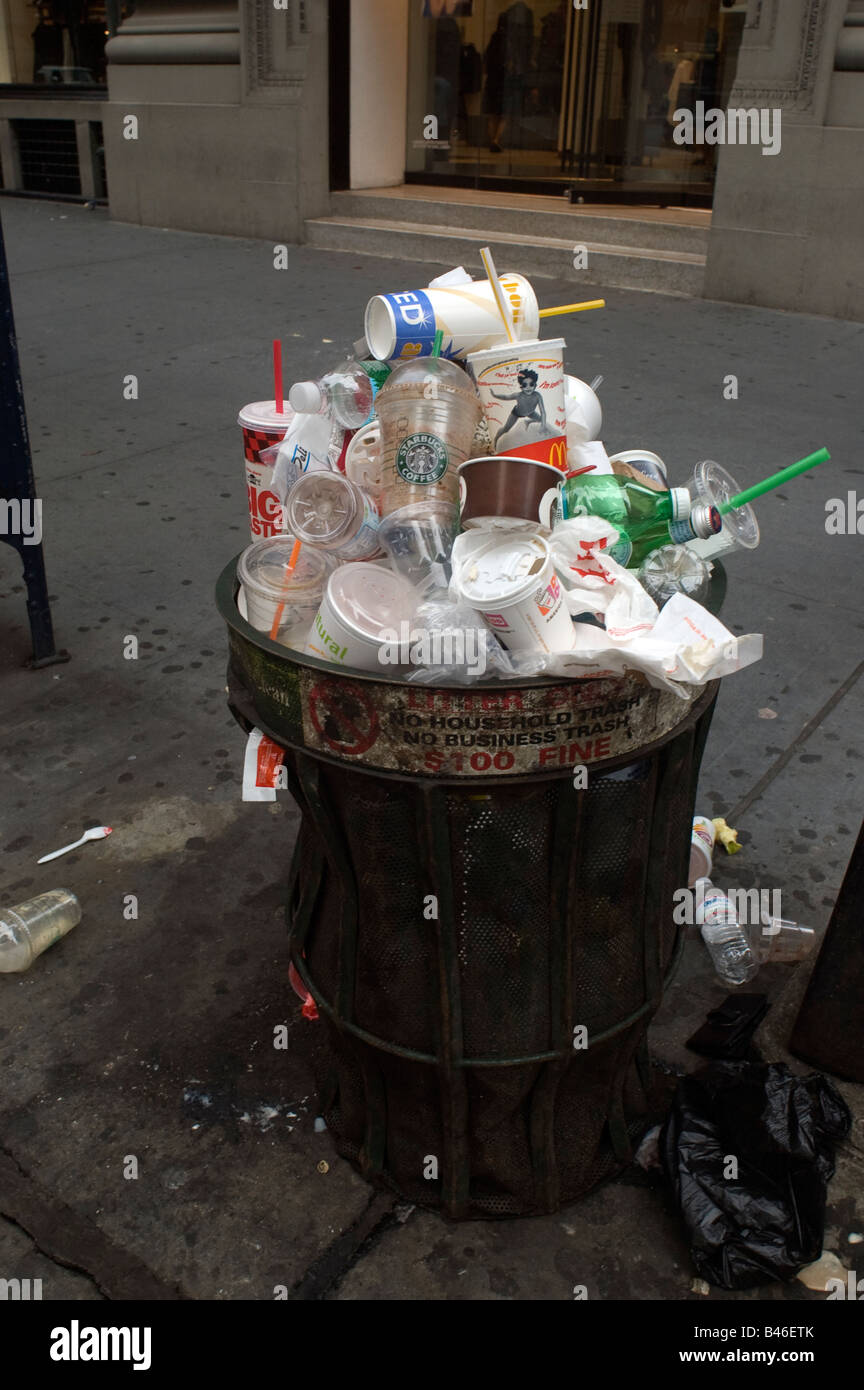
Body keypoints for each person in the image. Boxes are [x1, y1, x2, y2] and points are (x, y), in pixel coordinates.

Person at [491, 369, 547, 448]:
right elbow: (506, 397)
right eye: (524, 385)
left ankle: (528, 421)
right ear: (521, 387)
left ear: (535, 385)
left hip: (531, 413)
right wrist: (495, 395)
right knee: (506, 429)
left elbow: (543, 412)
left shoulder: (537, 396)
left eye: (531, 384)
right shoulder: (518, 395)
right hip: (517, 413)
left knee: (542, 419)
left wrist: (543, 426)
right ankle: (495, 439)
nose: (528, 387)